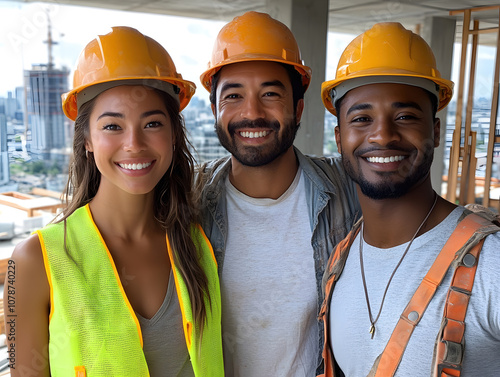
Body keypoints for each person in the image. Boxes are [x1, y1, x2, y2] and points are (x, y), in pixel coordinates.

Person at [5, 26, 223, 377]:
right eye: (112, 126)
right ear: (87, 140)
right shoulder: (33, 261)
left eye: (152, 123)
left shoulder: (199, 245)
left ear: (172, 135)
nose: (134, 144)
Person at [318, 22, 500, 377]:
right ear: (340, 138)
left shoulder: (491, 266)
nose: (383, 134)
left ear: (434, 130)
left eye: (405, 116)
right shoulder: (340, 262)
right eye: (362, 118)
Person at [196, 11, 360, 376]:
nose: (251, 113)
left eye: (270, 93)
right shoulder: (187, 202)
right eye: (233, 95)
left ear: (298, 108)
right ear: (214, 111)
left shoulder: (348, 189)